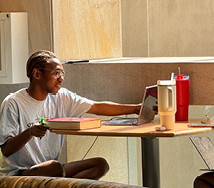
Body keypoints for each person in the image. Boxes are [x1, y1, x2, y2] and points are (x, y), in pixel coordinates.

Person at [0, 50, 141, 179]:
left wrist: (135, 109)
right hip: (20, 173)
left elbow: (97, 107)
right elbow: (6, 149)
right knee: (53, 168)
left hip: (52, 170)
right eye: (56, 73)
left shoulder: (62, 97)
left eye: (62, 73)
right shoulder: (13, 103)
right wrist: (30, 132)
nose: (61, 78)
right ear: (37, 74)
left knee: (100, 165)